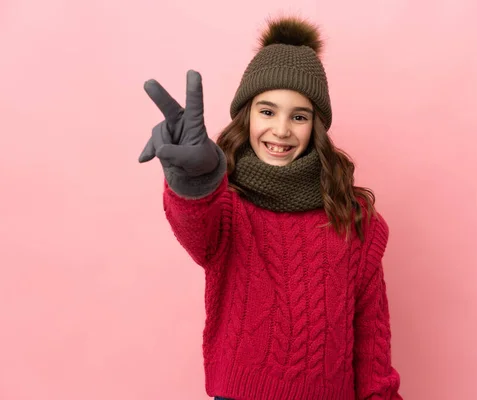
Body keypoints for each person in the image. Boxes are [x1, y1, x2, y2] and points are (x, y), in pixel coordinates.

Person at [139, 15, 403, 400]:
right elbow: (196, 228)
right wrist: (196, 185)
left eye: (299, 116)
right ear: (246, 116)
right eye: (267, 111)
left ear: (317, 127)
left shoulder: (354, 216)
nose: (281, 130)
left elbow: (371, 339)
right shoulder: (226, 204)